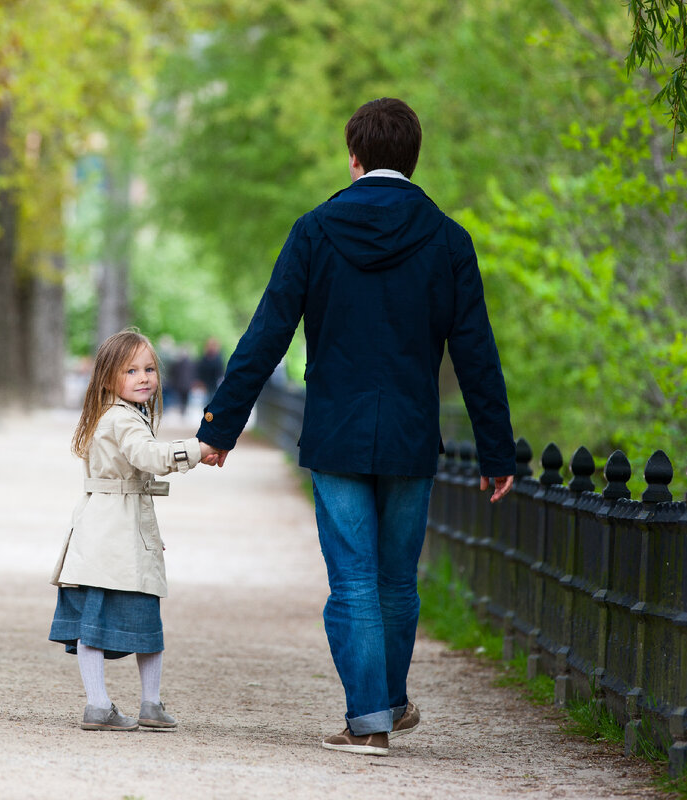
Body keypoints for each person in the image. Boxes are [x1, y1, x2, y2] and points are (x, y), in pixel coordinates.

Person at [196, 98, 515, 756]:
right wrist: (496, 449)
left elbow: (268, 335)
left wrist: (221, 425)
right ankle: (388, 705)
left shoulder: (315, 231)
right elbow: (476, 352)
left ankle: (370, 717)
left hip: (337, 432)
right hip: (409, 434)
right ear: (413, 157)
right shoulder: (449, 240)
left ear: (354, 157)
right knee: (397, 581)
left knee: (354, 581)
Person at [48, 329, 219, 732]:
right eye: (131, 370)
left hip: (104, 529)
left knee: (108, 616)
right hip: (116, 532)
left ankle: (130, 704)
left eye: (149, 369)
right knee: (128, 614)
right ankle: (115, 703)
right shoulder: (122, 418)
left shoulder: (114, 414)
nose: (144, 377)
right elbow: (150, 456)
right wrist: (199, 448)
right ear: (109, 378)